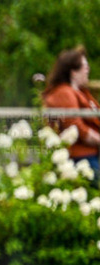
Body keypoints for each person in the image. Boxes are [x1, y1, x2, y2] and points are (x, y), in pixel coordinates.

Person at [42, 46, 99, 175]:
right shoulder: (64, 92)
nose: (88, 70)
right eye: (85, 66)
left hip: (90, 155)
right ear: (73, 72)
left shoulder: (80, 91)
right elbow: (76, 127)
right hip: (81, 159)